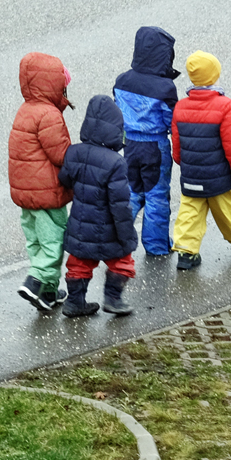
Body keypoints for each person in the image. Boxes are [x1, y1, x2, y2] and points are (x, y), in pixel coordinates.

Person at [171, 51, 231, 270]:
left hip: (192, 175)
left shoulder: (181, 107)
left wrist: (183, 162)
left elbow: (177, 145)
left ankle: (186, 252)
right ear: (214, 75)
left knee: (189, 212)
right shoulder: (224, 106)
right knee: (228, 209)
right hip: (218, 176)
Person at [58, 94, 138, 317]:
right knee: (122, 261)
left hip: (80, 227)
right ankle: (113, 298)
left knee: (78, 263)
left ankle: (75, 302)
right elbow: (120, 204)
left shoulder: (74, 152)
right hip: (110, 228)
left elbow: (64, 179)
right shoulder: (116, 162)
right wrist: (127, 235)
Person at [9, 52, 74, 312]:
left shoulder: (25, 110)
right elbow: (60, 154)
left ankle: (47, 293)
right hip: (48, 193)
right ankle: (35, 280)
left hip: (26, 193)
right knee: (55, 240)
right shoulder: (49, 115)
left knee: (36, 241)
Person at [112, 26, 180, 255]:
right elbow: (173, 120)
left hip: (129, 145)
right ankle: (156, 245)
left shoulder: (121, 81)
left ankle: (115, 239)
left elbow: (117, 113)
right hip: (154, 147)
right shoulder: (165, 87)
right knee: (156, 196)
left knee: (133, 191)